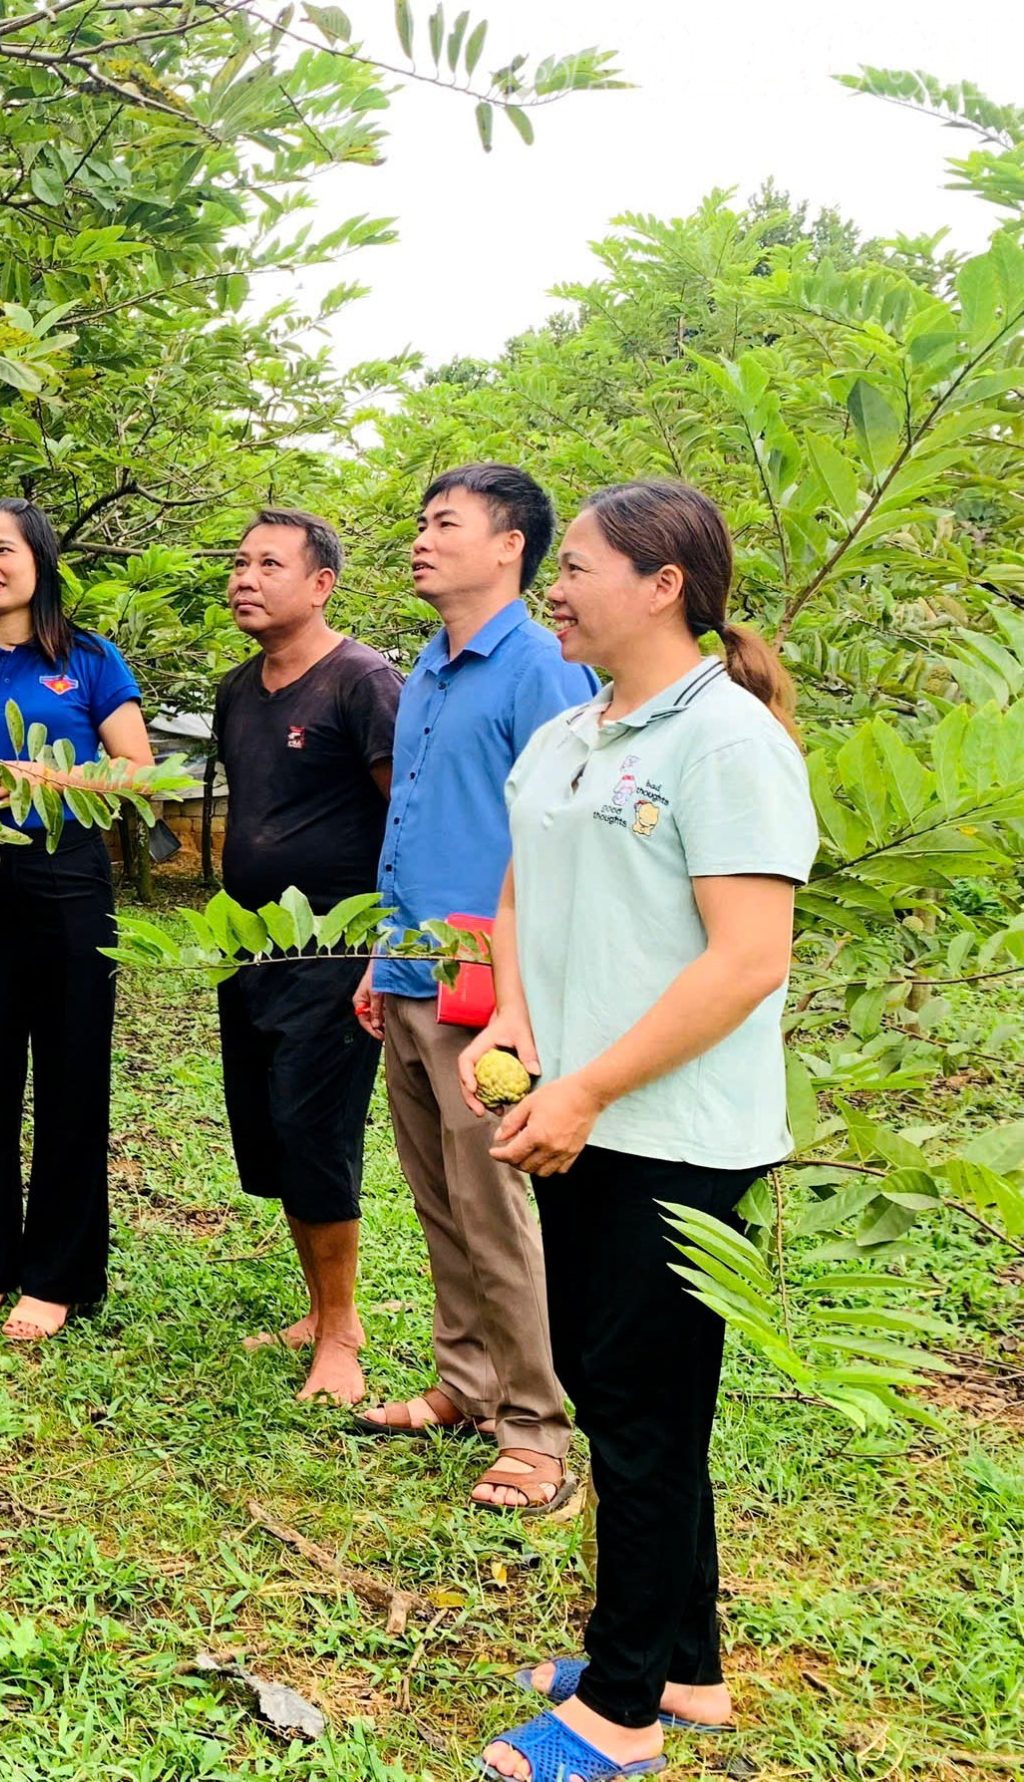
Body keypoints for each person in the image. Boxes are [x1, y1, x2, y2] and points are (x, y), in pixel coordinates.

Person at [466, 481, 811, 1781]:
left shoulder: (723, 742)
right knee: (632, 1394)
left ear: (663, 583)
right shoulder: (566, 734)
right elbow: (515, 891)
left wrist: (594, 1085)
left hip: (675, 1132)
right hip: (576, 1114)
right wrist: (517, 1028)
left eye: (581, 565)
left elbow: (746, 960)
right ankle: (688, 1668)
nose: (557, 585)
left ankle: (618, 1709)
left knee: (645, 1407)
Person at [348, 463, 597, 1513]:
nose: (419, 539)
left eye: (443, 523)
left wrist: (518, 1001)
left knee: (494, 1204)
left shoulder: (541, 667)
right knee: (437, 1195)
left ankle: (537, 1430)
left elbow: (564, 839)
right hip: (409, 972)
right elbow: (414, 824)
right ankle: (466, 1383)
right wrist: (377, 953)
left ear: (509, 547)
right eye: (418, 522)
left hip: (489, 989)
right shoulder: (431, 665)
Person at [0, 499, 155, 1343]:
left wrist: (38, 780)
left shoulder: (87, 661)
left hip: (70, 884)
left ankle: (59, 1275)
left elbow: (138, 773)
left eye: (2, 549)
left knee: (73, 1078)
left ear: (39, 562)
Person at [211, 509, 402, 1405]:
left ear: (321, 584)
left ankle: (341, 1336)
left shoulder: (362, 681)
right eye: (241, 563)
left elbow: (409, 816)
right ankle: (316, 1311)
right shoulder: (238, 689)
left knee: (318, 1130)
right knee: (275, 1129)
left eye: (270, 565)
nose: (246, 578)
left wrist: (387, 944)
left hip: (336, 945)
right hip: (250, 947)